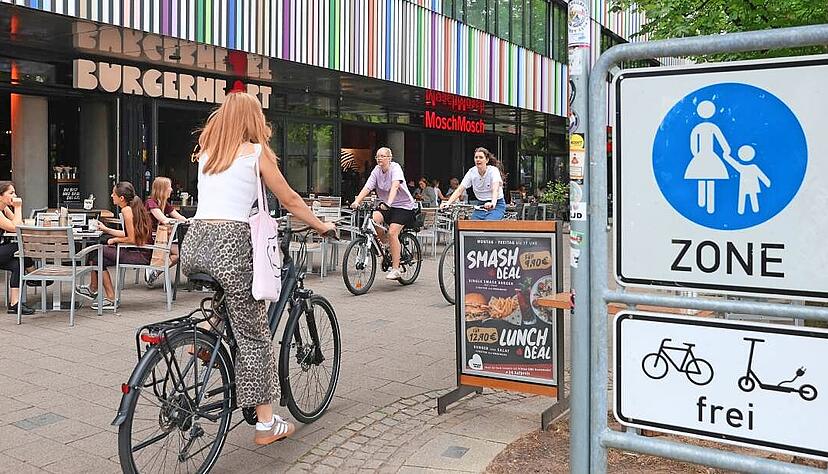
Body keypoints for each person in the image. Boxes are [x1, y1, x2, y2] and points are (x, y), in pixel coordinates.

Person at [182, 91, 335, 446]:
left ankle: (203, 337)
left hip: (195, 242)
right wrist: (320, 224)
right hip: (230, 244)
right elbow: (289, 198)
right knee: (254, 336)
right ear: (252, 119)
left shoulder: (207, 154)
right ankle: (266, 424)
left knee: (229, 298)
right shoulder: (256, 152)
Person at [76, 182, 153, 310]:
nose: (112, 195)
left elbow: (132, 238)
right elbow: (129, 233)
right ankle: (101, 293)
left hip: (139, 254)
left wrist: (115, 240)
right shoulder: (132, 208)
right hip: (139, 251)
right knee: (97, 257)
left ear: (121, 198)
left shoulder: (127, 210)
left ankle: (96, 290)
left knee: (97, 251)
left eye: (114, 193)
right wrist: (106, 230)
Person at [350, 147, 417, 280]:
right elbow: (368, 187)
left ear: (389, 158)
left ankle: (396, 268)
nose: (379, 158)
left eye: (382, 156)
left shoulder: (395, 168)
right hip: (386, 205)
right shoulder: (376, 170)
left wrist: (389, 203)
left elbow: (395, 186)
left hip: (403, 206)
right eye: (377, 156)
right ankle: (386, 246)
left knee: (392, 232)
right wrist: (356, 201)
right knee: (372, 221)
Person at [0, 182, 38, 315]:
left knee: (17, 264)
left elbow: (19, 224)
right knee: (19, 246)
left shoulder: (4, 208)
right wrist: (18, 207)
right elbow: (15, 228)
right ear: (0, 196)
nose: (15, 196)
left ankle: (14, 304)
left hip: (1, 250)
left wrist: (15, 209)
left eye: (14, 192)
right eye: (11, 193)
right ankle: (34, 275)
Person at [144, 177, 187, 286]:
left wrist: (188, 220)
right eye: (169, 187)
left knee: (180, 252)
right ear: (162, 189)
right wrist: (177, 221)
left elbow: (179, 217)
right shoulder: (151, 202)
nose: (171, 189)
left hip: (161, 240)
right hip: (151, 239)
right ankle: (154, 270)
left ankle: (155, 271)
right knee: (180, 251)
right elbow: (163, 219)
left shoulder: (164, 203)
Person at [442, 147, 506, 220]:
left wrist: (493, 203)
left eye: (481, 157)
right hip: (481, 205)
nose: (478, 159)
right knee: (472, 225)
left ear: (487, 160)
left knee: (488, 224)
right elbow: (460, 189)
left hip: (497, 204)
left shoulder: (493, 171)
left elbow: (496, 188)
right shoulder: (472, 172)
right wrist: (448, 203)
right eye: (476, 157)